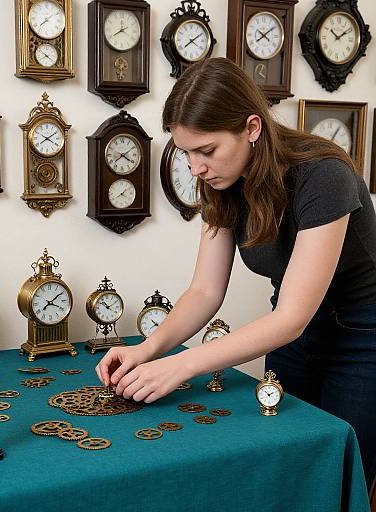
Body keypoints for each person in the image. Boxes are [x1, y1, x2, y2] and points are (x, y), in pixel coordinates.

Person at [96, 57, 376, 491]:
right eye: (186, 152)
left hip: (361, 337)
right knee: (282, 468)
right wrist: (147, 350)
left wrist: (180, 366)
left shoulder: (325, 175)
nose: (195, 168)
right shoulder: (221, 184)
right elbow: (205, 290)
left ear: (251, 128)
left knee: (337, 478)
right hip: (292, 336)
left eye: (205, 150)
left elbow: (291, 317)